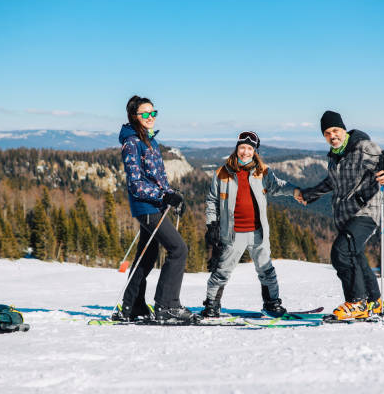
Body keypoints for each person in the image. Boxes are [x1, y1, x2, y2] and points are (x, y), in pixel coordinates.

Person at [299, 110, 384, 320]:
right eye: (327, 133)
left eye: (335, 130)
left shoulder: (363, 147)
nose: (332, 135)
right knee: (356, 256)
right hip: (345, 216)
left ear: (344, 129)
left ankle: (356, 302)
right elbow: (332, 183)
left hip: (366, 212)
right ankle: (374, 301)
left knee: (341, 252)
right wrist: (309, 195)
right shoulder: (335, 156)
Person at [202, 131, 304, 317]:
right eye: (242, 147)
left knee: (266, 270)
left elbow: (278, 186)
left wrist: (296, 191)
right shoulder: (222, 172)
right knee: (222, 270)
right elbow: (211, 200)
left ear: (254, 151)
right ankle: (211, 305)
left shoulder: (262, 171)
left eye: (250, 148)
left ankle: (272, 303)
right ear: (237, 148)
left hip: (258, 232)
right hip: (232, 233)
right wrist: (212, 225)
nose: (245, 152)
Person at [115, 95, 193, 323]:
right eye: (145, 114)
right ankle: (167, 306)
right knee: (179, 249)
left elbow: (156, 178)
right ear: (134, 116)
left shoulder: (149, 140)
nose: (150, 118)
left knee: (146, 257)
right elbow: (135, 183)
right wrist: (162, 195)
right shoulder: (132, 143)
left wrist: (171, 195)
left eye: (153, 113)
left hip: (154, 205)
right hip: (146, 206)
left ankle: (133, 306)